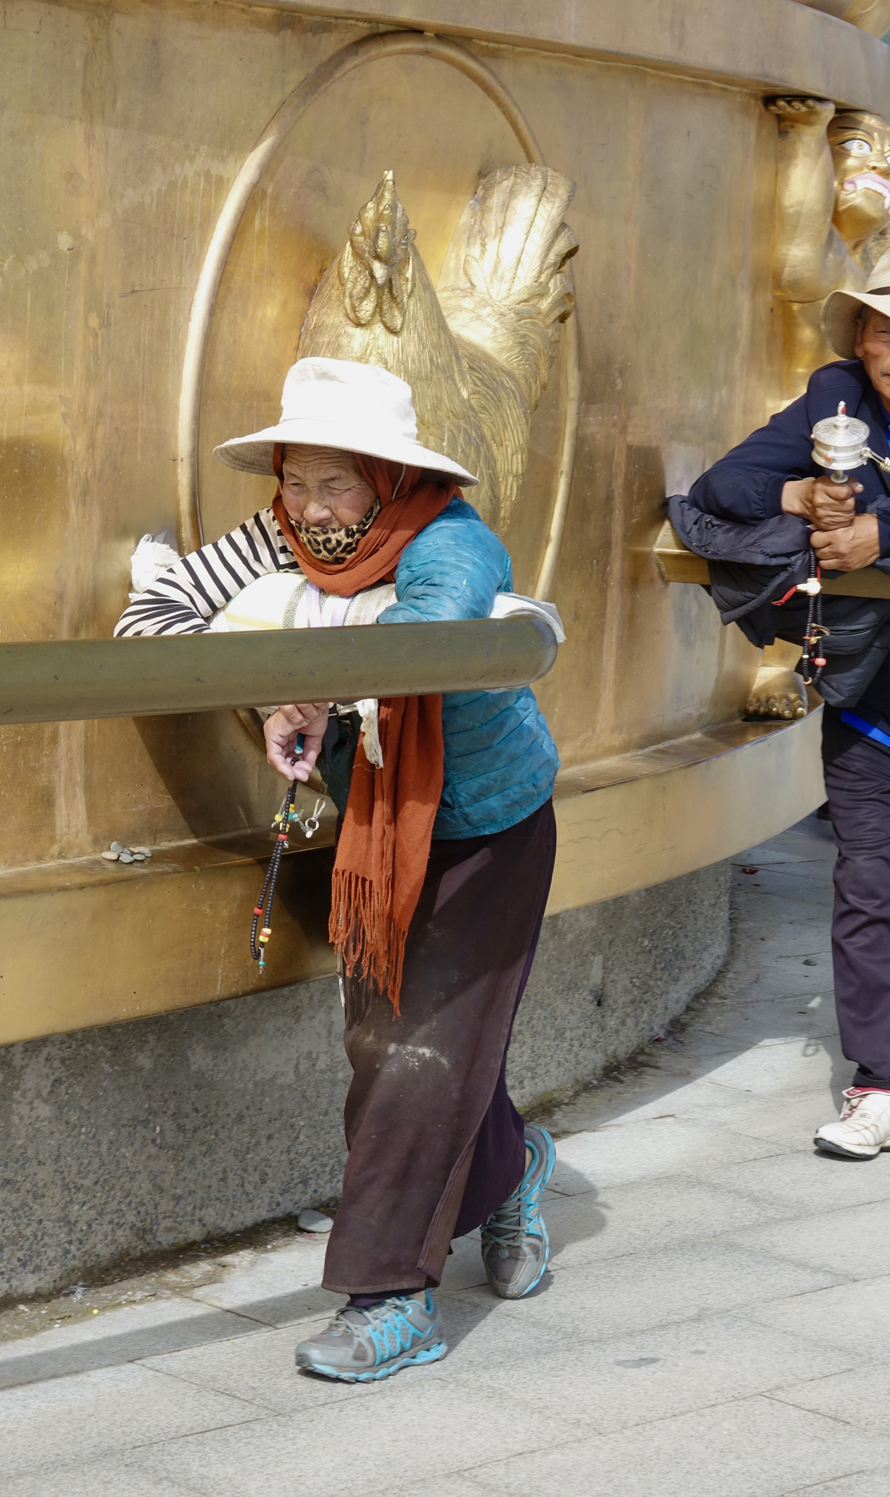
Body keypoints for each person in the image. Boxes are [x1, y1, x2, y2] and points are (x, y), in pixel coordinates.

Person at [117, 357, 561, 1378]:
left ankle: (390, 1296)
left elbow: (430, 632)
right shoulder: (288, 534)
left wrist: (313, 672)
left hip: (487, 828)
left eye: (337, 484)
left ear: (390, 479)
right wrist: (273, 672)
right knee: (387, 1042)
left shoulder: (449, 539)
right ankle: (510, 1165)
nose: (312, 509)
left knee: (417, 1052)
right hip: (374, 826)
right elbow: (153, 620)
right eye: (296, 480)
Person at [683, 246, 890, 1153]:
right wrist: (799, 493)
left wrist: (881, 531)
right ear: (859, 336)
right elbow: (721, 487)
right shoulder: (836, 397)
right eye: (884, 330)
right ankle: (882, 1087)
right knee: (869, 894)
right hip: (868, 698)